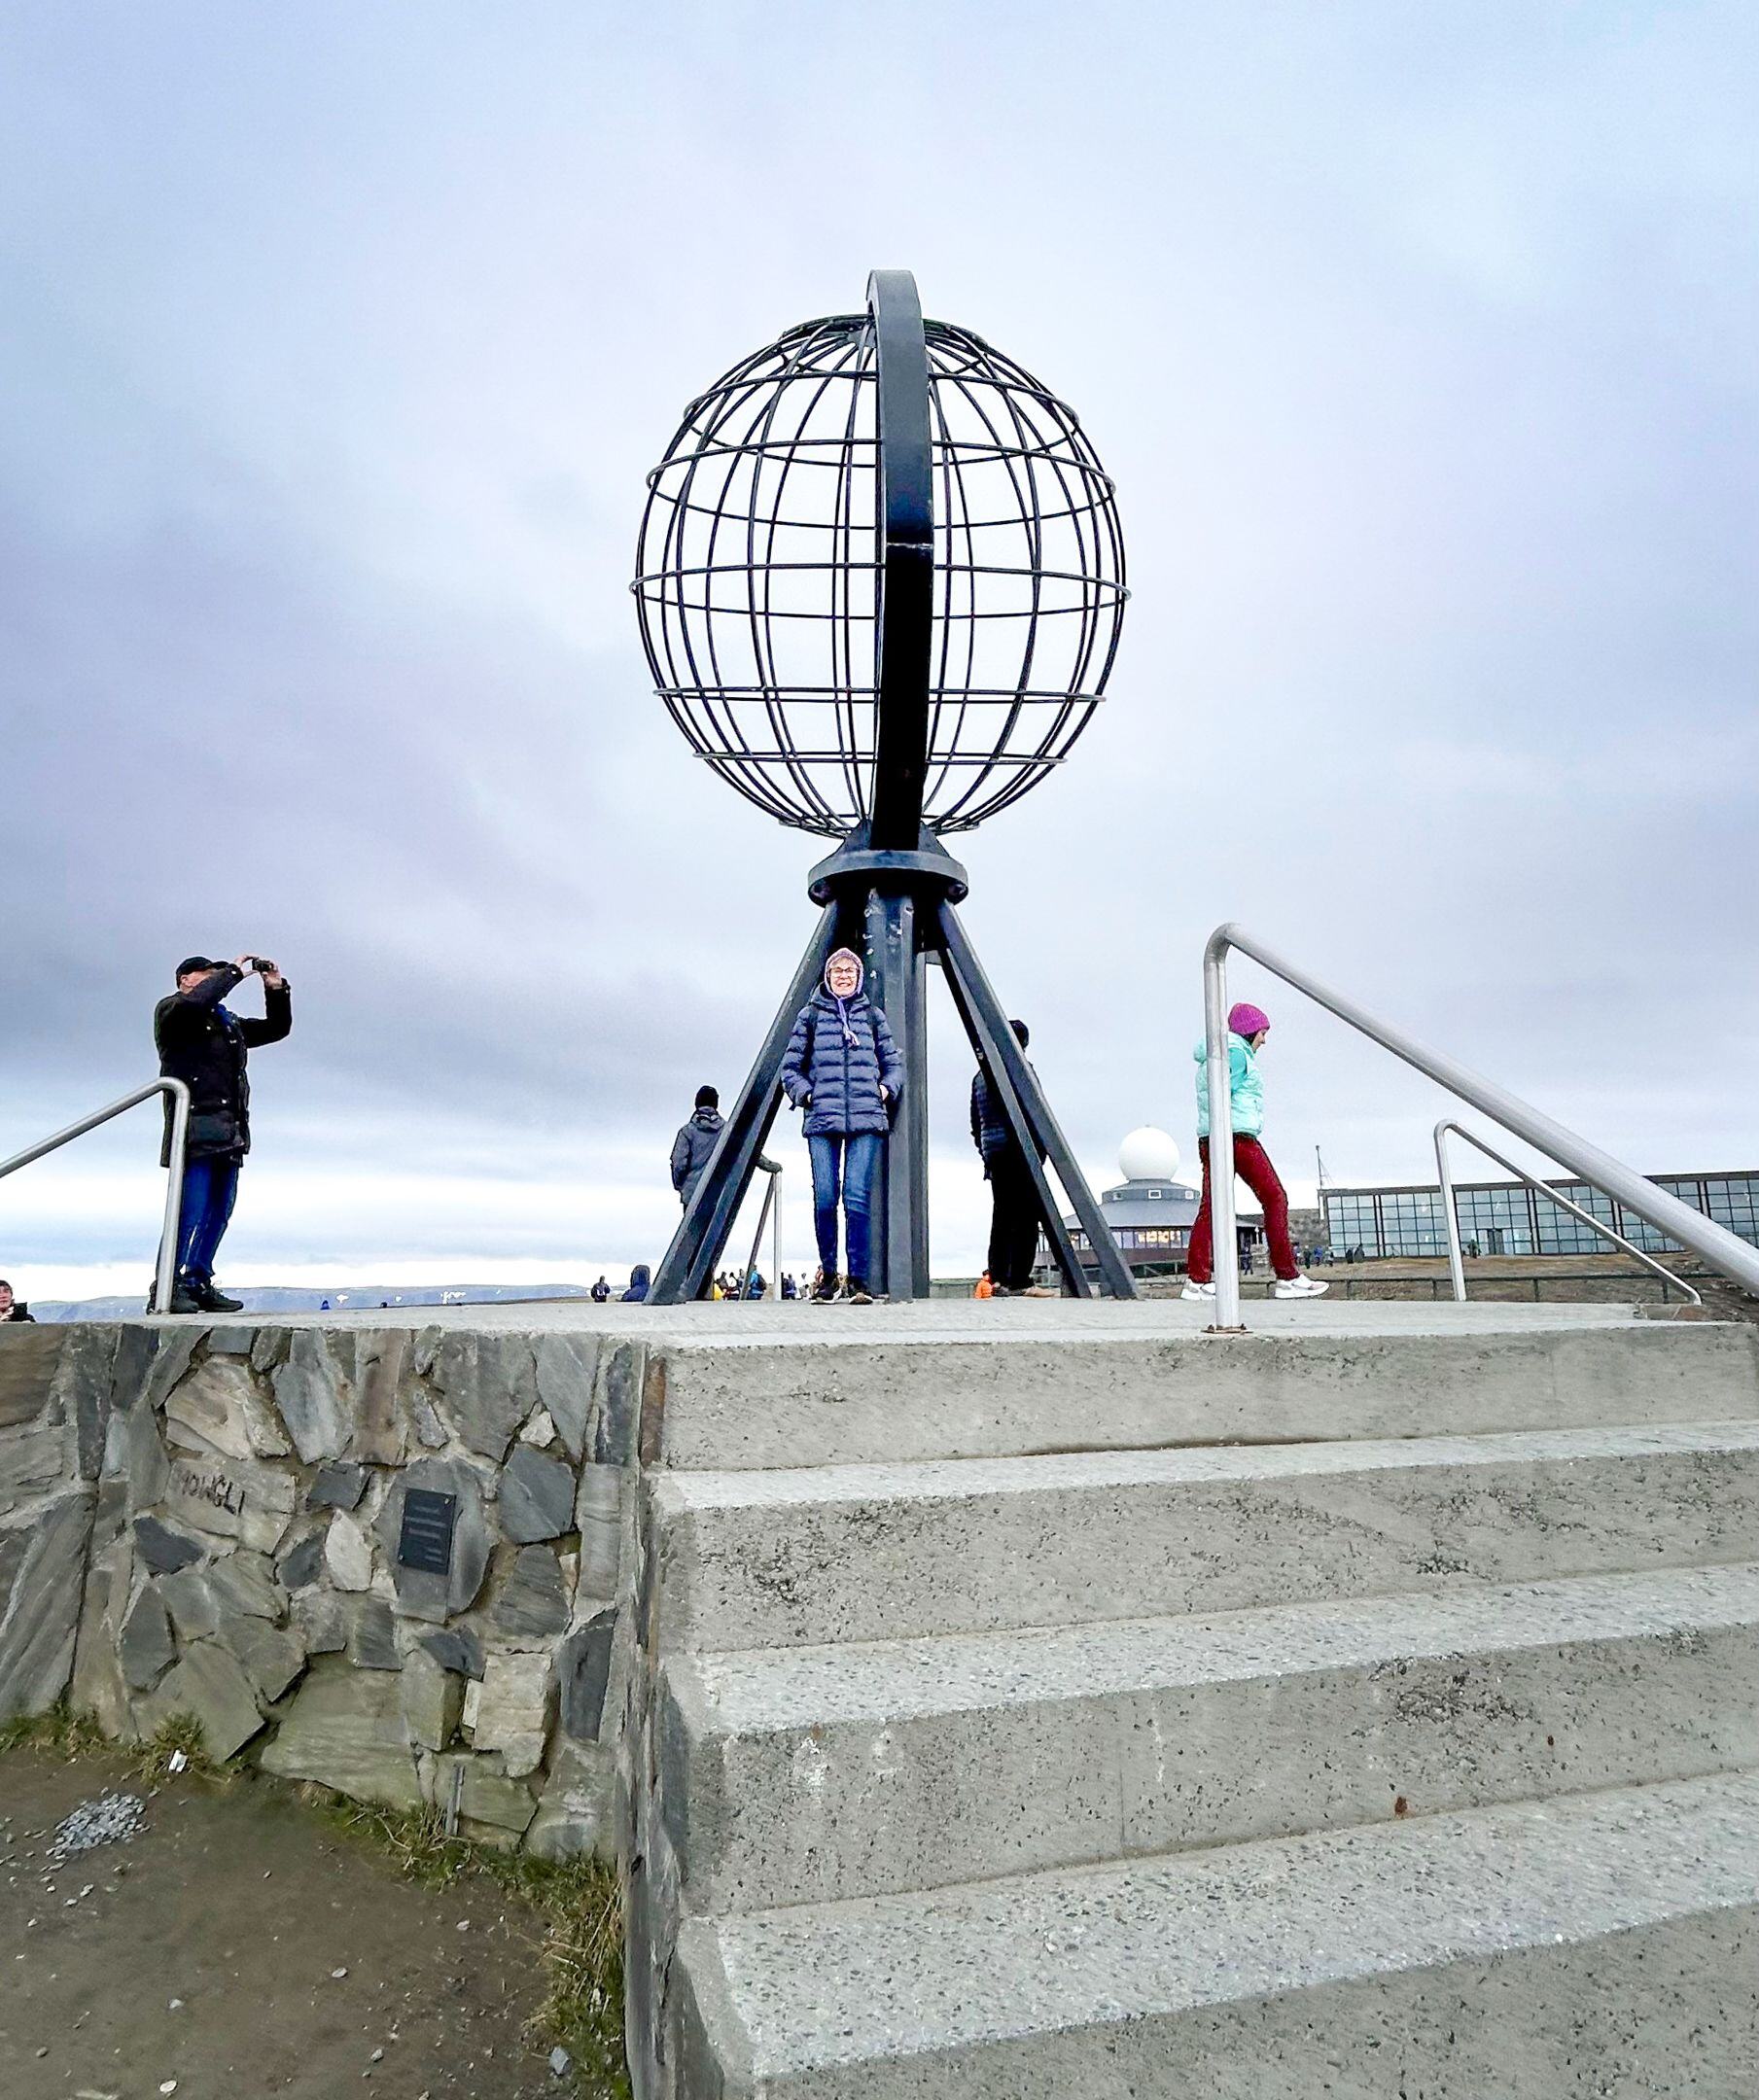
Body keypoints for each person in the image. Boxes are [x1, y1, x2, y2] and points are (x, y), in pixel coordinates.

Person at [154, 952, 291, 1314]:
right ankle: (168, 1284)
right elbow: (198, 1003)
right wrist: (233, 971)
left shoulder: (226, 1023)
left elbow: (275, 1029)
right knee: (189, 1210)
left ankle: (198, 1279)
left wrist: (275, 988)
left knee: (219, 1210)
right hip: (194, 1128)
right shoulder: (173, 1012)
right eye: (206, 973)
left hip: (229, 1130)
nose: (214, 979)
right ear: (185, 978)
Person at [781, 947, 903, 1304]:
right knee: (824, 1198)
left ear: (859, 976)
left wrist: (884, 1088)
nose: (844, 975)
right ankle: (829, 1275)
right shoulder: (811, 1016)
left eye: (851, 970)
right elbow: (790, 1068)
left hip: (866, 1117)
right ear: (828, 976)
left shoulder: (873, 1018)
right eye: (838, 970)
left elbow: (894, 1064)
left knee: (856, 1198)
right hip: (822, 1118)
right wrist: (806, 1095)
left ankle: (859, 1280)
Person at [1183, 1002, 1328, 1303]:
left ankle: (1197, 1280)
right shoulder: (1236, 1053)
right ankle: (1287, 1277)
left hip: (1214, 1137)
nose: (1265, 1039)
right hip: (1235, 1137)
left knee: (1212, 1206)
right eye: (1263, 1032)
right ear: (1250, 1031)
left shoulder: (1224, 1052)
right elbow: (1221, 1092)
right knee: (1275, 1197)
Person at [968, 1020, 1055, 1297]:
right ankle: (1019, 1279)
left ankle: (997, 1276)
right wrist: (1039, 1151)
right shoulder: (1021, 1071)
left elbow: (975, 1122)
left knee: (1002, 1214)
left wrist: (985, 1150)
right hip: (1019, 1149)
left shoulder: (980, 1076)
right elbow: (1035, 1111)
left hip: (994, 1152)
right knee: (1027, 1215)